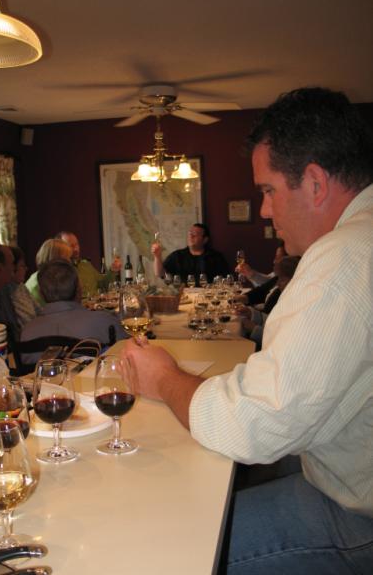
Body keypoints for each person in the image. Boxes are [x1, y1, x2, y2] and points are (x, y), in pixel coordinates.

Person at [122, 87, 373, 574]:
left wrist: (163, 377)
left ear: (315, 182)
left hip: (354, 516)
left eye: (268, 190)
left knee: (169, 549)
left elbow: (252, 425)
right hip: (336, 473)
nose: (264, 211)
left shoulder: (344, 258)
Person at [21, 259, 127, 363]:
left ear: (41, 294)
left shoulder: (27, 333)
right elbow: (127, 354)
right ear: (79, 289)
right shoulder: (105, 322)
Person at [238, 255, 300, 349]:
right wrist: (252, 314)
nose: (277, 284)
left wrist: (254, 329)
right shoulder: (285, 295)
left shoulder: (296, 304)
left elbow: (282, 342)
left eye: (282, 280)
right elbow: (274, 321)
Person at [151, 223, 229, 286]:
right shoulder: (177, 255)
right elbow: (160, 273)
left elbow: (226, 280)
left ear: (205, 240)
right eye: (189, 233)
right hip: (183, 297)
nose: (191, 236)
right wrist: (157, 256)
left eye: (195, 234)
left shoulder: (216, 257)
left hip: (208, 297)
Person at [55, 231, 121, 298]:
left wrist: (112, 271)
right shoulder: (59, 271)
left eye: (77, 244)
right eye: (71, 246)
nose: (76, 249)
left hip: (96, 303)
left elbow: (103, 285)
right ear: (60, 248)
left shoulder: (86, 265)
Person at [2, 247, 41, 332]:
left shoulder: (21, 286)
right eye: (22, 266)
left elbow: (39, 310)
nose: (26, 268)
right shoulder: (5, 292)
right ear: (12, 268)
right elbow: (26, 323)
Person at [25, 238, 73, 306]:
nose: (70, 262)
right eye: (66, 258)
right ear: (54, 259)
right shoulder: (37, 284)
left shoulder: (51, 279)